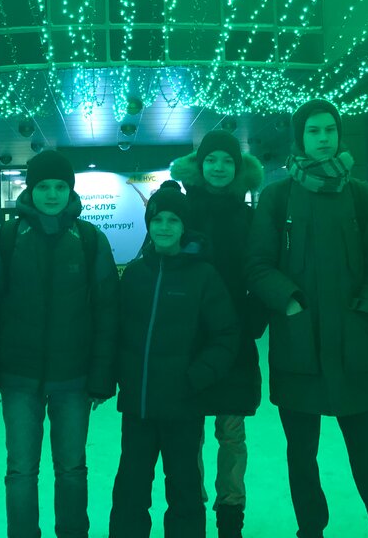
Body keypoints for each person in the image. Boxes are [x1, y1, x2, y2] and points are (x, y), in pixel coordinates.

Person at [246, 99, 368, 538]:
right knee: (302, 456)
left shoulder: (363, 196)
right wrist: (290, 302)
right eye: (313, 131)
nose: (323, 138)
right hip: (297, 349)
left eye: (330, 129)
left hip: (352, 348)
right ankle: (311, 530)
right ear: (300, 138)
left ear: (339, 133)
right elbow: (258, 265)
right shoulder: (277, 198)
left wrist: (366, 314)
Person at [0, 149, 118, 538]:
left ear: (70, 190)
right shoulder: (4, 239)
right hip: (18, 378)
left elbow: (107, 314)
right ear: (30, 190)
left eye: (60, 187)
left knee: (72, 469)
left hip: (74, 379)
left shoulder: (90, 240)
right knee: (20, 471)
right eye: (44, 186)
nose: (52, 194)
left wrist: (102, 377)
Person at [109, 185, 239, 538]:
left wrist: (196, 376)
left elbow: (226, 335)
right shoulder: (135, 274)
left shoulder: (203, 276)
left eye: (173, 220)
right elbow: (116, 332)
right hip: (138, 407)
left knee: (183, 491)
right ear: (148, 224)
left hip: (183, 405)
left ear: (184, 227)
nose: (164, 227)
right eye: (158, 220)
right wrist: (120, 375)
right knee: (130, 489)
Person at [170, 131, 265, 538]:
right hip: (190, 340)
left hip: (237, 339)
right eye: (211, 160)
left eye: (227, 160)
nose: (219, 167)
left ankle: (230, 515)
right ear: (200, 165)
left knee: (231, 433)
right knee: (188, 432)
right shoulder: (184, 212)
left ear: (238, 168)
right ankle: (191, 509)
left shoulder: (250, 217)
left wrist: (254, 317)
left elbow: (263, 267)